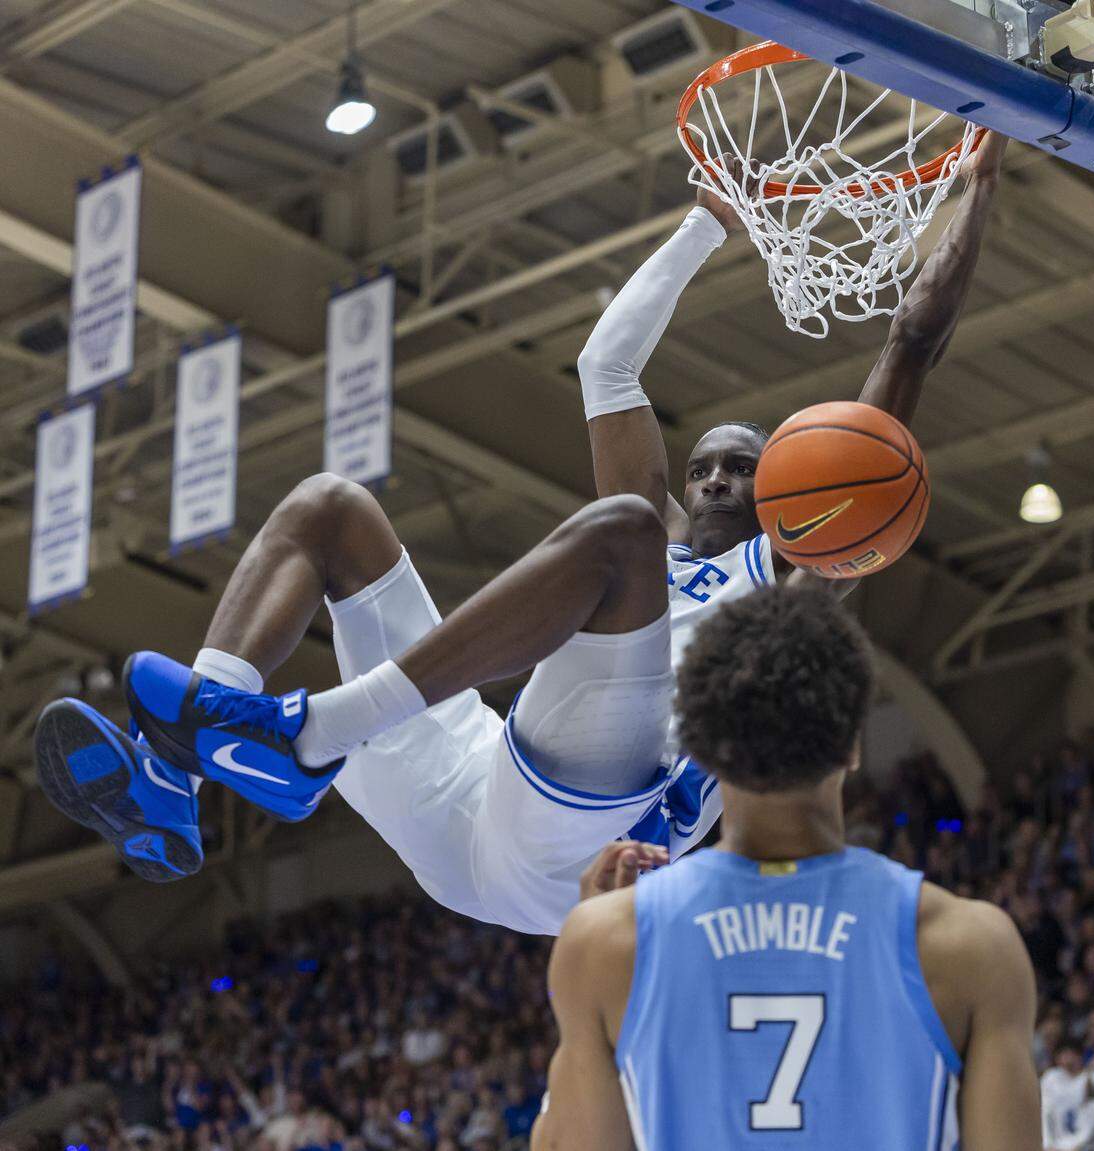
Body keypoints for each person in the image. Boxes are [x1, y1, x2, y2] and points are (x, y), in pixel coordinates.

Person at [35, 134, 1008, 933]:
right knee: (331, 507)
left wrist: (979, 189)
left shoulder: (795, 574)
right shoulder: (657, 538)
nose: (713, 474)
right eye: (703, 460)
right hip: (470, 775)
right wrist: (707, 222)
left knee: (620, 531)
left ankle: (309, 738)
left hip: (589, 837)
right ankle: (172, 773)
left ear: (783, 495)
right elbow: (607, 364)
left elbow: (911, 343)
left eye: (738, 467)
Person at [531, 584, 1040, 1150]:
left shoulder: (608, 944)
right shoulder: (968, 946)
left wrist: (584, 975)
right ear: (851, 745)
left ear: (701, 747)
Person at [1041, 1040, 1094, 1151]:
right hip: (1056, 1146)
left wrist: (1075, 1146)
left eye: (1069, 1053)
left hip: (1089, 1147)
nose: (1066, 1058)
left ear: (1080, 1055)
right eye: (1062, 1054)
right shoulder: (1051, 1078)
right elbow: (1045, 1113)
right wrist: (1047, 1144)